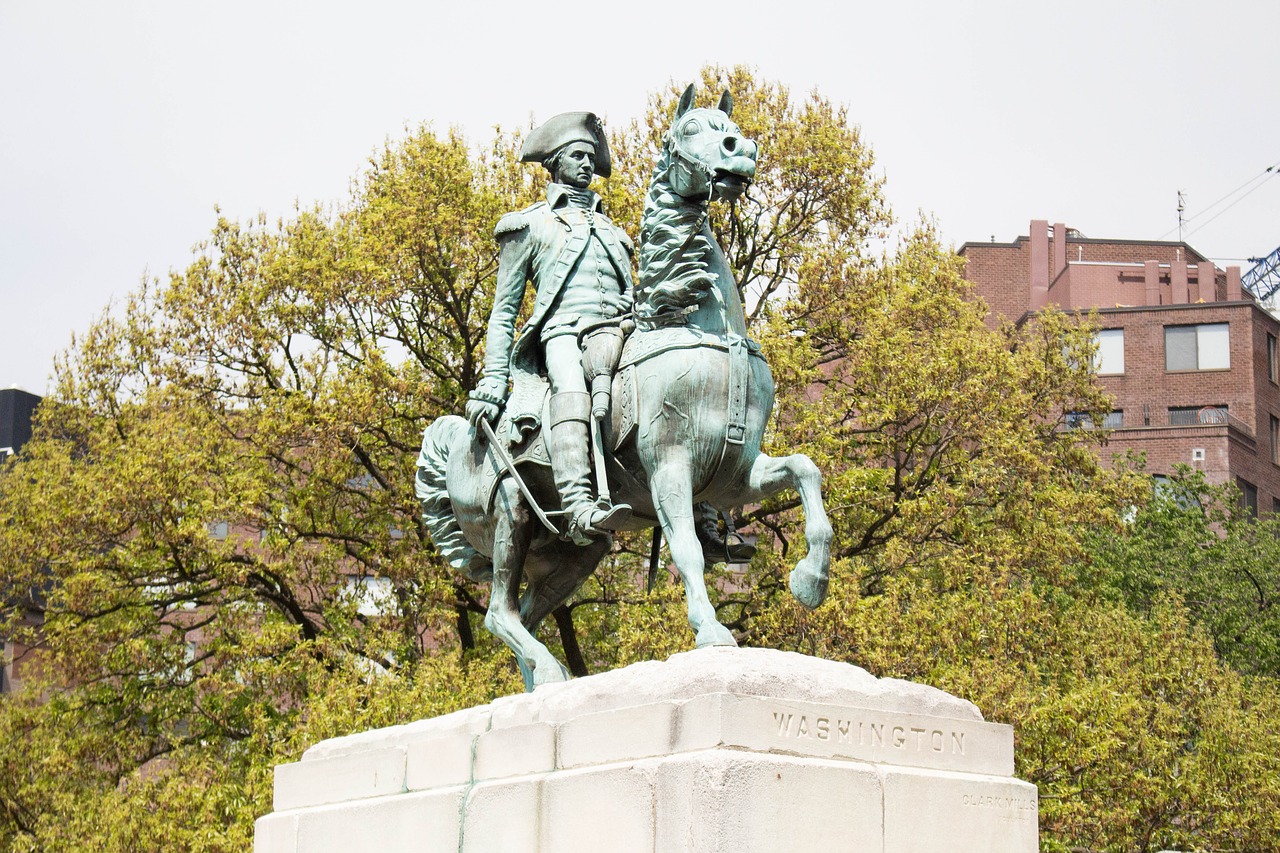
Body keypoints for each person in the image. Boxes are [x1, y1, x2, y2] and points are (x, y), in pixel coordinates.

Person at [466, 112, 633, 545]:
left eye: (590, 158)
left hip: (621, 330)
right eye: (577, 156)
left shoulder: (615, 232)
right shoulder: (529, 225)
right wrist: (491, 382)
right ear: (556, 162)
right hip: (564, 335)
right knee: (571, 388)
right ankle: (578, 504)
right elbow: (504, 311)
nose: (586, 165)